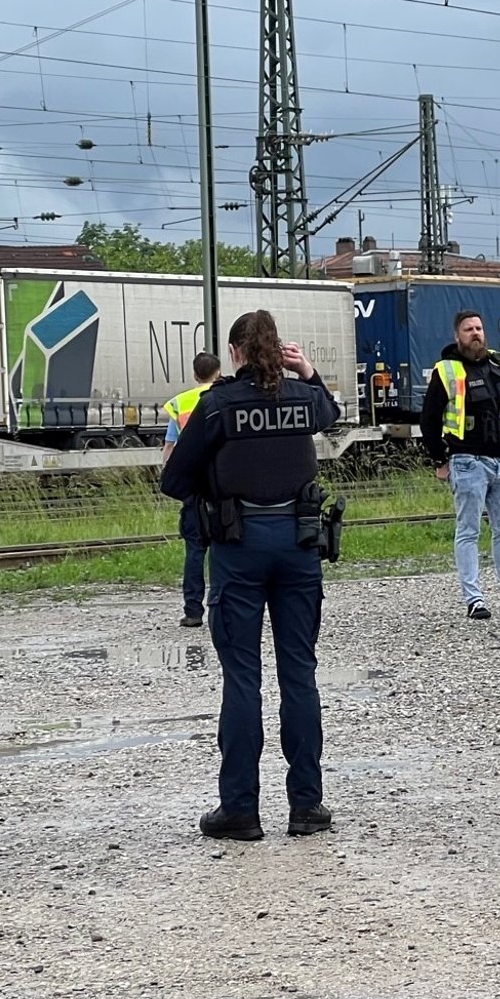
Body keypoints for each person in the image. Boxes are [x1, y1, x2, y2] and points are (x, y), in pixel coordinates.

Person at [161, 310, 341, 841]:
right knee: (299, 674)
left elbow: (174, 479)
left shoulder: (218, 405)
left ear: (235, 352)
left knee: (243, 678)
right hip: (299, 546)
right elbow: (328, 412)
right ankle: (306, 806)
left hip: (239, 548)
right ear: (279, 349)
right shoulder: (302, 398)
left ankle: (239, 808)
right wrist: (308, 371)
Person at [418, 310, 500, 621]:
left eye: (479, 328)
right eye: (468, 329)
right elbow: (428, 420)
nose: (475, 333)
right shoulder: (447, 370)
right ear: (458, 336)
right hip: (467, 460)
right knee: (468, 531)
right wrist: (439, 460)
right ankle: (475, 600)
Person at [162, 351, 222, 629]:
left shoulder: (181, 403)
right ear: (218, 372)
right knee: (226, 546)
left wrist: (173, 480)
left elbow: (169, 450)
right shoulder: (227, 396)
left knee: (195, 550)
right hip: (223, 484)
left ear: (195, 374)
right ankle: (223, 606)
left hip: (193, 488)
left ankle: (193, 611)